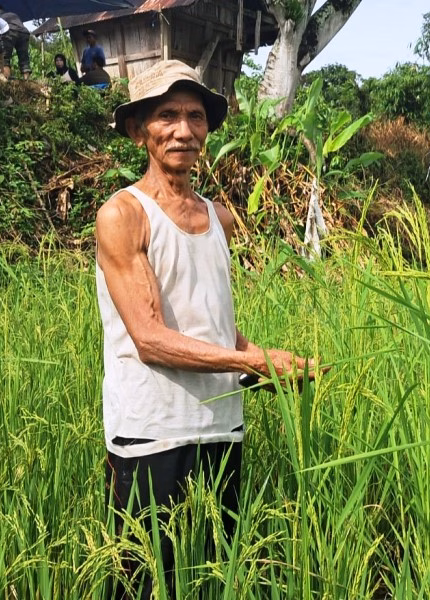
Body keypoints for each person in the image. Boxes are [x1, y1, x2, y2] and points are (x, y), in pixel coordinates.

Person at [95, 59, 323, 596]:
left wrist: (270, 361)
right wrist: (250, 363)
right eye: (166, 115)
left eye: (194, 116)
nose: (183, 130)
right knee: (145, 582)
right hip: (152, 432)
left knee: (216, 575)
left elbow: (218, 328)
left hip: (221, 427)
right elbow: (149, 340)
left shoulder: (220, 219)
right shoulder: (124, 215)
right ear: (138, 130)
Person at [0, 3, 30, 79]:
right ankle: (27, 80)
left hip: (10, 32)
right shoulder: (12, 14)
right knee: (24, 58)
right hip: (24, 32)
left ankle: (6, 80)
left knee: (5, 57)